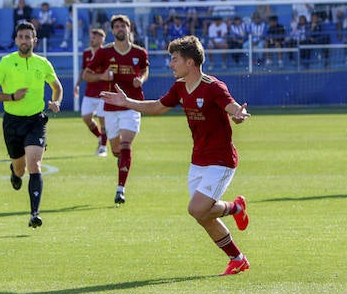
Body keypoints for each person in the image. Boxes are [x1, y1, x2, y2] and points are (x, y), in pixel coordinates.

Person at [102, 35, 251, 275]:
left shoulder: (213, 86)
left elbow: (231, 106)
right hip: (198, 160)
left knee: (197, 209)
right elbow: (157, 107)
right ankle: (237, 258)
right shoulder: (180, 87)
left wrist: (238, 114)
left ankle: (235, 209)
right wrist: (127, 102)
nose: (171, 64)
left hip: (221, 161)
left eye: (174, 59)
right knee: (202, 215)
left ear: (190, 62)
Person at [0, 20, 62, 228]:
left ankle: (34, 214)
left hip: (36, 120)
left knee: (34, 165)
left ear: (34, 40)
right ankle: (14, 171)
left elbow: (57, 87)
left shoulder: (43, 63)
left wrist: (56, 102)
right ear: (15, 40)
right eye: (20, 37)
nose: (24, 40)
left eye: (28, 37)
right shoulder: (5, 63)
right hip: (12, 122)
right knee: (20, 170)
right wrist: (12, 96)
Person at [83, 15, 149, 205]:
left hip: (132, 104)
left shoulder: (139, 52)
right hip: (111, 107)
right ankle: (122, 160)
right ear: (112, 31)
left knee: (126, 143)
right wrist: (102, 76)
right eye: (117, 26)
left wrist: (141, 79)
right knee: (116, 151)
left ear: (129, 28)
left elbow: (145, 70)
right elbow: (87, 74)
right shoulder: (104, 52)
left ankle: (120, 189)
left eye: (123, 26)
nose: (120, 29)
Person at [78, 26, 109, 156]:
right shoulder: (86, 53)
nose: (92, 39)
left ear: (102, 39)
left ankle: (103, 147)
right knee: (86, 117)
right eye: (91, 37)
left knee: (102, 119)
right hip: (90, 91)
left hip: (103, 92)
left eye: (95, 37)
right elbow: (83, 71)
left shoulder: (106, 54)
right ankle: (100, 137)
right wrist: (77, 84)